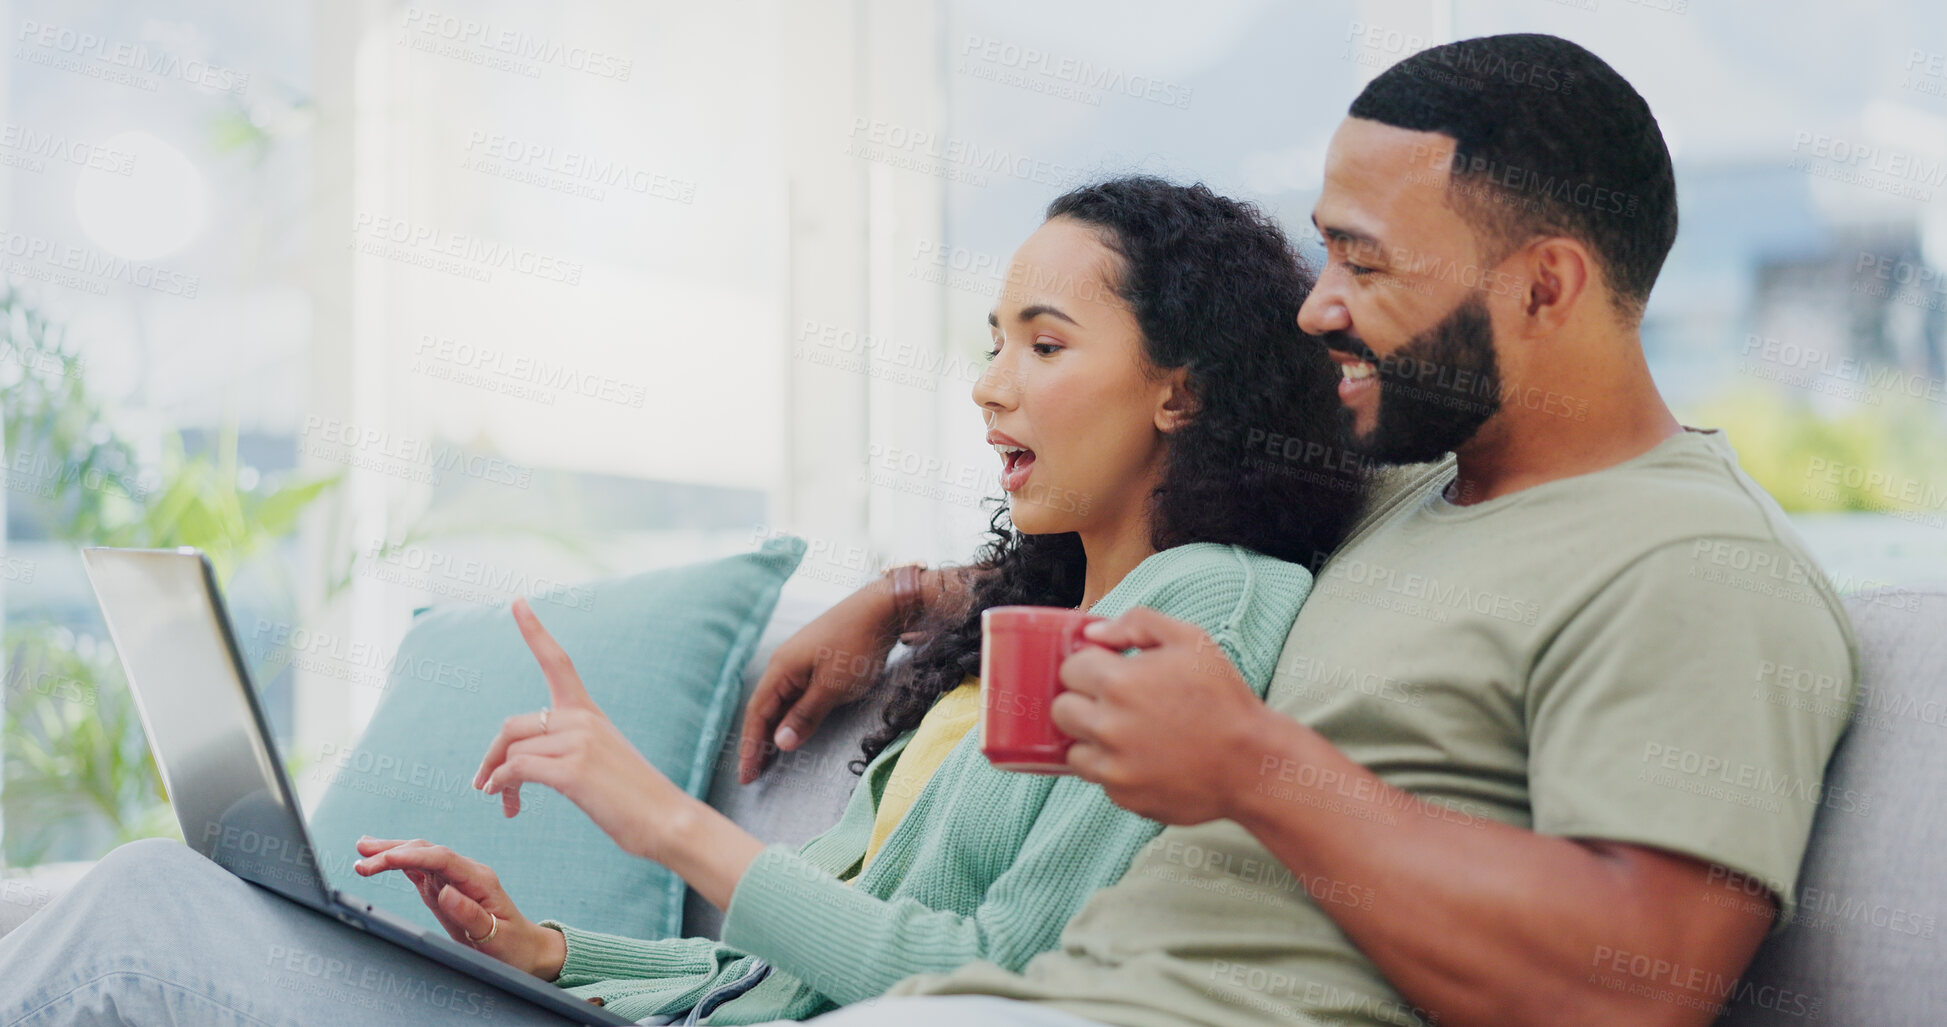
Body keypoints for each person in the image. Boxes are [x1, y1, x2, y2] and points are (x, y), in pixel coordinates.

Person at [0, 177, 1363, 1026]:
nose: (988, 383)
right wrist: (545, 946)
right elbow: (779, 969)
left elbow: (975, 970)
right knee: (147, 887)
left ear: (1180, 386)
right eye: (990, 341)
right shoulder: (1038, 618)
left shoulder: (1209, 603)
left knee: (143, 913)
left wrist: (658, 815)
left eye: (1043, 344)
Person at [741, 33, 1859, 1027]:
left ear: (1545, 286)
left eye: (1364, 263)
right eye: (1325, 253)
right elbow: (1160, 538)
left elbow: (1635, 989)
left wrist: (1256, 766)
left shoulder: (1696, 566)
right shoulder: (1402, 490)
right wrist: (907, 598)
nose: (1315, 306)